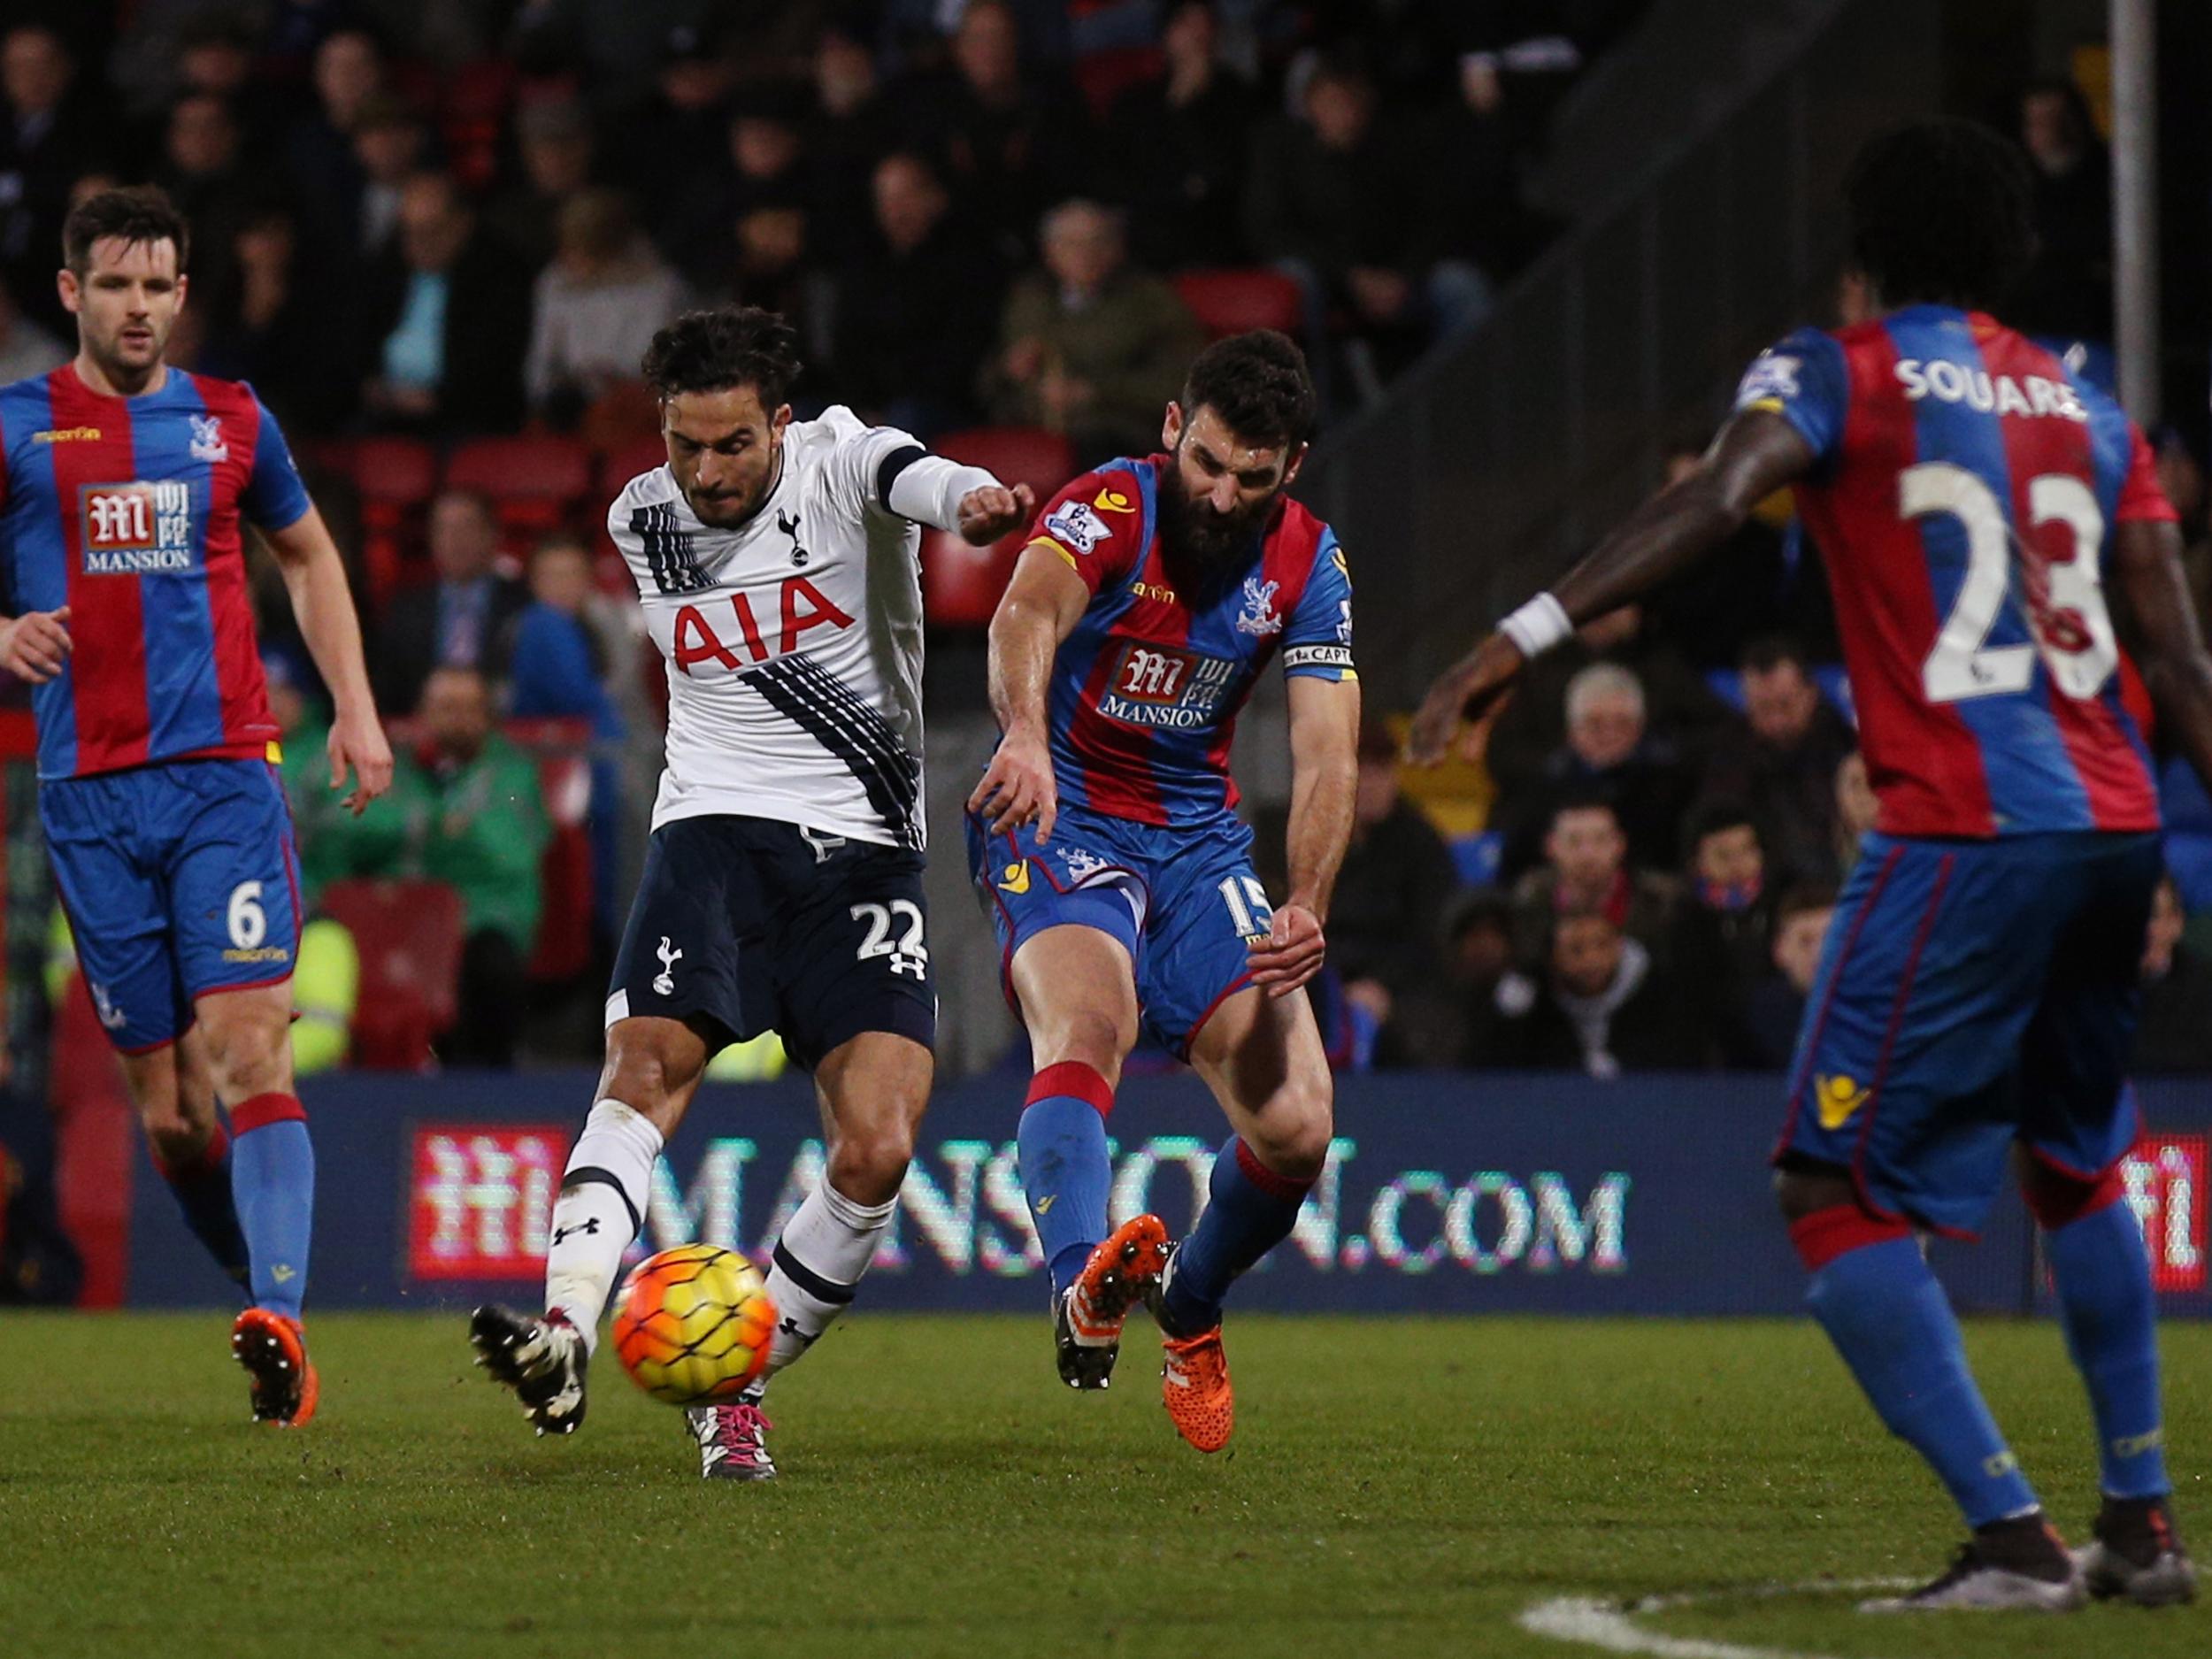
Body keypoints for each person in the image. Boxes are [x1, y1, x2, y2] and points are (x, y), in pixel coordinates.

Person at [1411, 119, 2205, 1609]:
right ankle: (2144, 1527)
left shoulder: (1842, 368)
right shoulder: (2091, 413)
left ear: (1865, 260)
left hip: (1970, 830)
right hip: (2115, 829)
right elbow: (2176, 648)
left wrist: (1520, 636)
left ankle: (2014, 1539)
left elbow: (1721, 498)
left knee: (1830, 1190)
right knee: (2077, 1161)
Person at [469, 306, 1033, 1479]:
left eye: (733, 444)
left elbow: (922, 476)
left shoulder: (844, 461)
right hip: (711, 835)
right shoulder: (641, 517)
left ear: (781, 423)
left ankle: (736, 1380)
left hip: (864, 856)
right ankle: (567, 1329)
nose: (708, 472)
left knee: (877, 1145)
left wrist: (972, 498)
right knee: (642, 1070)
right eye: (687, 446)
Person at [0, 186, 391, 1424]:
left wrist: (358, 705)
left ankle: (281, 1310)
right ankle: (257, 1290)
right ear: (72, 293)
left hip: (225, 773)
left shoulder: (231, 421)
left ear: (181, 293)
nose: (136, 306)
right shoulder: (16, 427)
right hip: (87, 794)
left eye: (157, 285)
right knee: (170, 1117)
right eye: (113, 284)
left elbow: (311, 554)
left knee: (249, 1046)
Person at [966, 330, 1358, 1454]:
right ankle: (1080, 1291)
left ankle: (1189, 1306)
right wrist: (1027, 737)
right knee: (1092, 1020)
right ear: (1172, 433)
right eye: (1210, 464)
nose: (1225, 495)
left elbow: (1330, 753)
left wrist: (1307, 904)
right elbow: (1023, 616)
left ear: (1289, 471)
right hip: (1058, 808)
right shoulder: (1111, 508)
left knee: (1297, 1125)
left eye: (1255, 478)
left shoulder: (1310, 563)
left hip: (1196, 847)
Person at [982, 199, 1205, 468]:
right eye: (1071, 244)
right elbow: (984, 381)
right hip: (1029, 425)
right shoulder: (1029, 299)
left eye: (1098, 242)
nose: (1085, 254)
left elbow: (1182, 381)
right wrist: (1008, 369)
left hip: (1116, 431)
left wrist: (1095, 392)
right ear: (1049, 251)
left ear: (1117, 248)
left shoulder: (1150, 301)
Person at [371, 488, 529, 715]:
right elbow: (386, 692)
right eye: (444, 529)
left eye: (467, 527)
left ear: (493, 534)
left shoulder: (523, 605)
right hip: (421, 736)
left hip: (501, 732)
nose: (455, 539)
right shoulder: (405, 610)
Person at [1483, 906, 1689, 1077]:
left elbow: (1675, 1060)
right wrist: (1509, 1020)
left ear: (1619, 946)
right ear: (1554, 957)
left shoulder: (1656, 990)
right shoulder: (1533, 996)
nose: (1592, 960)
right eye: (1576, 949)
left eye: (1602, 945)